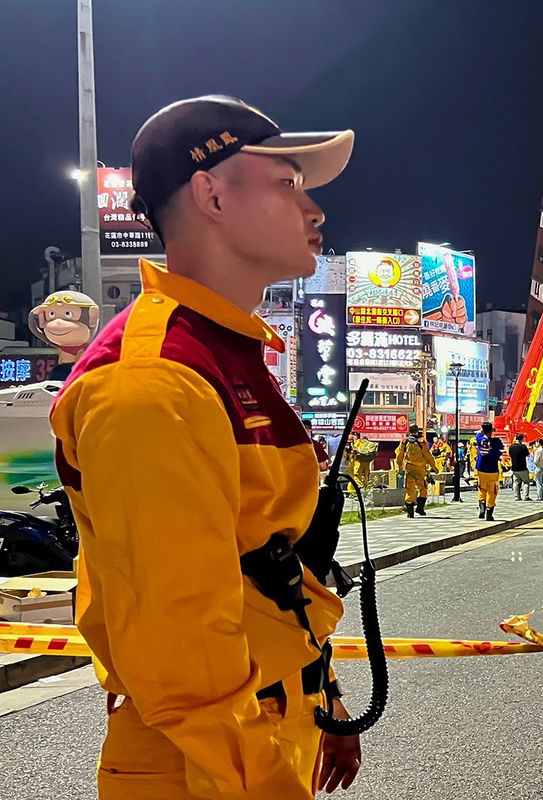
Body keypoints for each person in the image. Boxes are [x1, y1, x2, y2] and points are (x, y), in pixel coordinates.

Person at [48, 96, 361, 799]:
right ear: (211, 193)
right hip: (203, 764)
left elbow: (259, 570)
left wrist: (322, 688)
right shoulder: (153, 380)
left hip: (261, 725)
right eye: (288, 183)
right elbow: (183, 656)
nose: (314, 211)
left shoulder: (224, 352)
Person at [399, 427, 437, 518]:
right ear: (417, 431)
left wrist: (400, 467)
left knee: (409, 490)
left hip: (409, 469)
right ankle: (420, 508)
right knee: (423, 488)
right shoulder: (421, 442)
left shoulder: (404, 442)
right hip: (420, 470)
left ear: (409, 432)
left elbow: (399, 455)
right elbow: (428, 456)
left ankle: (410, 513)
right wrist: (434, 467)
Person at [474, 422, 504, 521]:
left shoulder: (480, 439)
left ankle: (482, 508)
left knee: (482, 488)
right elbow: (501, 451)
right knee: (492, 491)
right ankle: (489, 512)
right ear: (491, 431)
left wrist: (482, 430)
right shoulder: (496, 442)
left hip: (481, 468)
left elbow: (478, 434)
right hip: (493, 470)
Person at [508, 433, 533, 501]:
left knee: (516, 482)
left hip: (514, 468)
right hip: (522, 467)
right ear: (522, 439)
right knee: (526, 482)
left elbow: (510, 455)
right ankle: (525, 496)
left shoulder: (511, 447)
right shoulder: (523, 447)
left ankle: (517, 496)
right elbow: (527, 455)